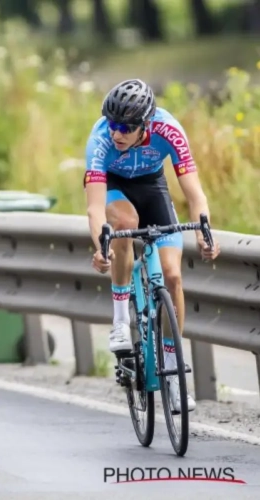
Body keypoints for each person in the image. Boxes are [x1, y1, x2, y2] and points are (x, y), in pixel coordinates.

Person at [84, 78, 220, 413]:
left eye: (126, 128)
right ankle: (119, 321)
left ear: (146, 124)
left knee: (173, 277)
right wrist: (101, 245)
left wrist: (205, 232)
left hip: (152, 185)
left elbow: (194, 192)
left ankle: (173, 376)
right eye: (113, 124)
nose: (117, 133)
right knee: (126, 225)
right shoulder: (100, 140)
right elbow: (95, 207)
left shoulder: (169, 130)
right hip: (114, 188)